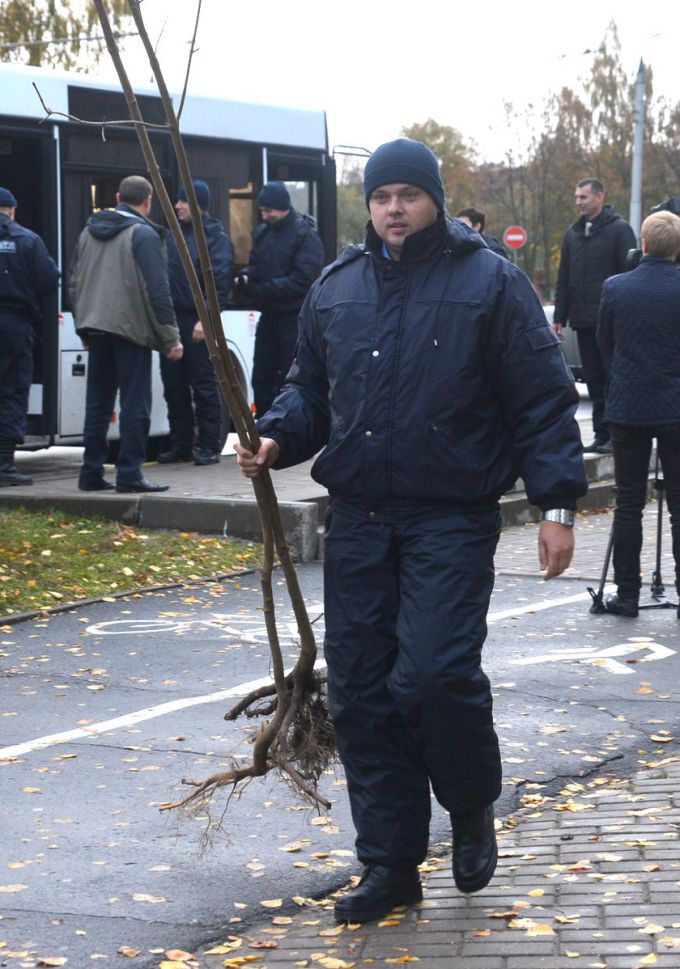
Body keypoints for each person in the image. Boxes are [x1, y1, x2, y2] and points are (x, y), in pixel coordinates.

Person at [236, 139, 588, 923]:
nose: (394, 208)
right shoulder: (338, 287)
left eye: (409, 194)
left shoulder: (490, 282)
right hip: (358, 520)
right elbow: (308, 392)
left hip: (449, 518)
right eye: (381, 195)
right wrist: (275, 437)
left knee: (431, 675)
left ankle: (467, 804)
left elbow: (540, 399)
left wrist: (558, 507)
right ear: (368, 206)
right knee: (362, 694)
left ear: (433, 199)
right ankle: (389, 862)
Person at [69, 175, 183, 493]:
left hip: (97, 328)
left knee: (98, 404)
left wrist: (83, 326)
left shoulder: (87, 232)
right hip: (131, 331)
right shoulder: (143, 234)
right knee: (135, 404)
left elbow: (75, 282)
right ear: (148, 202)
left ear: (118, 196)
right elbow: (156, 290)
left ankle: (90, 472)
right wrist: (170, 337)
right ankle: (130, 473)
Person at [596, 210, 680, 619]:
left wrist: (625, 378)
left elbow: (603, 343)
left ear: (642, 244)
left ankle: (627, 593)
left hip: (628, 408)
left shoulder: (616, 287)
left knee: (628, 502)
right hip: (676, 409)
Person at [553, 178, 636, 454]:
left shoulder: (619, 230)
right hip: (582, 320)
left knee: (614, 379)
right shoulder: (573, 234)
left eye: (584, 197)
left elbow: (629, 275)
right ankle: (601, 435)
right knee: (594, 380)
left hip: (612, 321)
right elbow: (564, 277)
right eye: (577, 197)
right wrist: (560, 318)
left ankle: (618, 435)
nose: (578, 201)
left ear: (600, 197)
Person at [158, 179, 235, 466]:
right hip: (172, 319)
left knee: (203, 383)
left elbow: (219, 283)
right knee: (173, 385)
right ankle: (180, 444)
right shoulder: (172, 236)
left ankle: (208, 446)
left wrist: (206, 319)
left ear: (198, 205)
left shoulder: (214, 238)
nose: (177, 206)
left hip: (197, 320)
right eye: (177, 201)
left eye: (183, 201)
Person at [234, 180, 324, 416]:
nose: (264, 216)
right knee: (261, 377)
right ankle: (266, 428)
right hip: (269, 317)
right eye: (261, 210)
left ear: (282, 207)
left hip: (294, 319)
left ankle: (289, 430)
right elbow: (256, 265)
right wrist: (245, 276)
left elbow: (304, 280)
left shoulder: (304, 236)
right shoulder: (263, 234)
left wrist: (263, 289)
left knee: (290, 379)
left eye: (268, 210)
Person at [0, 186, 60, 487]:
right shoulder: (27, 239)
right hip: (14, 325)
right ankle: (4, 465)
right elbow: (50, 280)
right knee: (11, 391)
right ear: (11, 210)